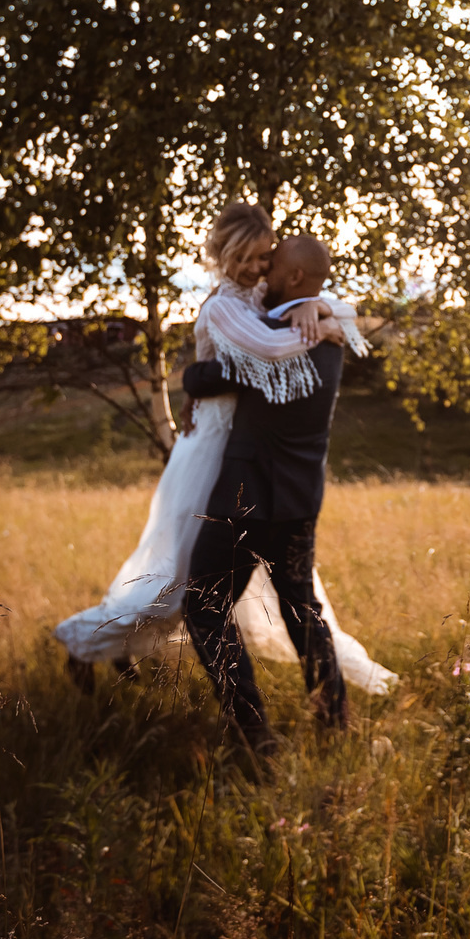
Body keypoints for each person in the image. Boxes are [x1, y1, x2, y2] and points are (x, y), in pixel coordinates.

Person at [52, 206, 395, 700]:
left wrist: (317, 307)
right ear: (232, 256)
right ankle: (86, 642)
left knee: (243, 593)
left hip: (244, 449)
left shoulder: (258, 294)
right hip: (213, 450)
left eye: (268, 258)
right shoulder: (223, 306)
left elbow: (316, 301)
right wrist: (319, 323)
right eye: (257, 257)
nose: (263, 266)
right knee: (173, 583)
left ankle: (117, 647)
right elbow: (267, 349)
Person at [177, 231, 358, 752]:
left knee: (205, 608)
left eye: (274, 263)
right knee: (303, 608)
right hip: (301, 500)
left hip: (244, 496)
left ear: (295, 277)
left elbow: (203, 377)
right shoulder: (331, 334)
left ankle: (254, 732)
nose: (265, 271)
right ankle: (335, 720)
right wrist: (322, 310)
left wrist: (192, 374)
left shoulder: (270, 333)